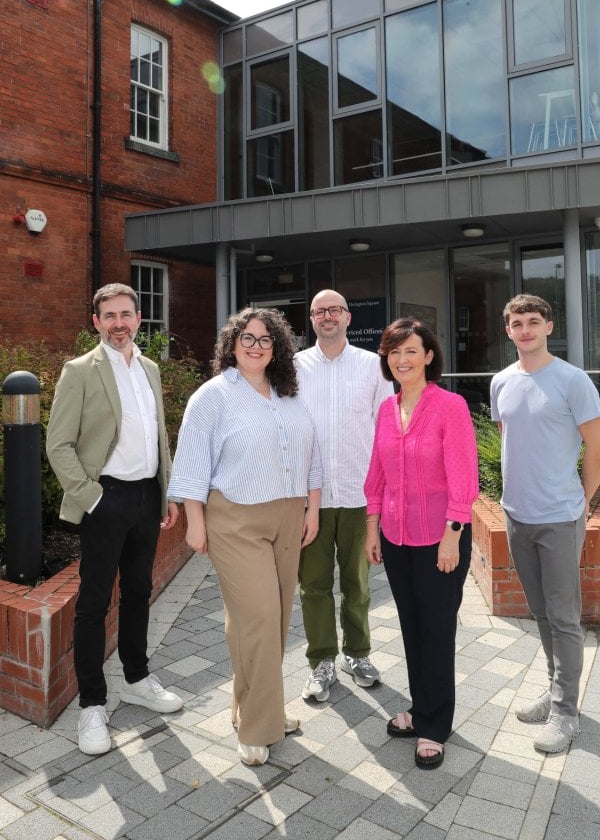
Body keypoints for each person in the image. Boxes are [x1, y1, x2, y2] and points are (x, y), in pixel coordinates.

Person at [168, 307, 321, 766]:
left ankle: (251, 706)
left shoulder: (288, 394)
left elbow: (311, 453)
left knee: (274, 620)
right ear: (232, 344)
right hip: (235, 518)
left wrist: (312, 508)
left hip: (289, 514)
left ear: (278, 348)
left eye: (265, 339)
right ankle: (259, 726)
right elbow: (191, 460)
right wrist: (195, 522)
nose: (256, 346)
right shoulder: (213, 395)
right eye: (247, 338)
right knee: (258, 618)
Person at [46, 283, 184, 757]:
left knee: (139, 592)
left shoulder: (149, 368)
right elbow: (58, 444)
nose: (119, 323)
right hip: (106, 499)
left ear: (139, 319)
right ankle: (91, 704)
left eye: (126, 314)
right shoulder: (80, 371)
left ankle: (136, 678)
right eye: (110, 316)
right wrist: (92, 498)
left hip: (147, 496)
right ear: (96, 322)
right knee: (93, 601)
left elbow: (159, 438)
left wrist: (166, 493)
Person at [490, 294, 600, 754]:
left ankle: (565, 712)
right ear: (508, 330)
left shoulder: (572, 381)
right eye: (517, 323)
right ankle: (554, 687)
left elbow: (598, 449)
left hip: (560, 517)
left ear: (548, 326)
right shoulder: (502, 382)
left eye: (533, 321)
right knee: (540, 612)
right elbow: (510, 438)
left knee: (563, 617)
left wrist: (582, 501)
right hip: (516, 515)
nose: (525, 330)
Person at [364, 318, 479, 769]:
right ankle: (420, 707)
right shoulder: (386, 409)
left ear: (429, 356)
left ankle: (434, 725)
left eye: (411, 350)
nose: (402, 359)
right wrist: (372, 528)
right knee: (412, 627)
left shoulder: (450, 406)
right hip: (396, 538)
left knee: (436, 629)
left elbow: (463, 478)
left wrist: (453, 536)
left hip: (440, 539)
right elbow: (377, 474)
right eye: (394, 352)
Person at [295, 289, 394, 702]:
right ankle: (321, 660)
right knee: (313, 585)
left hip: (359, 495)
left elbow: (387, 430)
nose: (328, 316)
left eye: (335, 310)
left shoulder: (373, 366)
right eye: (320, 311)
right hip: (310, 499)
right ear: (311, 319)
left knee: (357, 584)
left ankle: (357, 653)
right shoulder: (294, 368)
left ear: (348, 317)